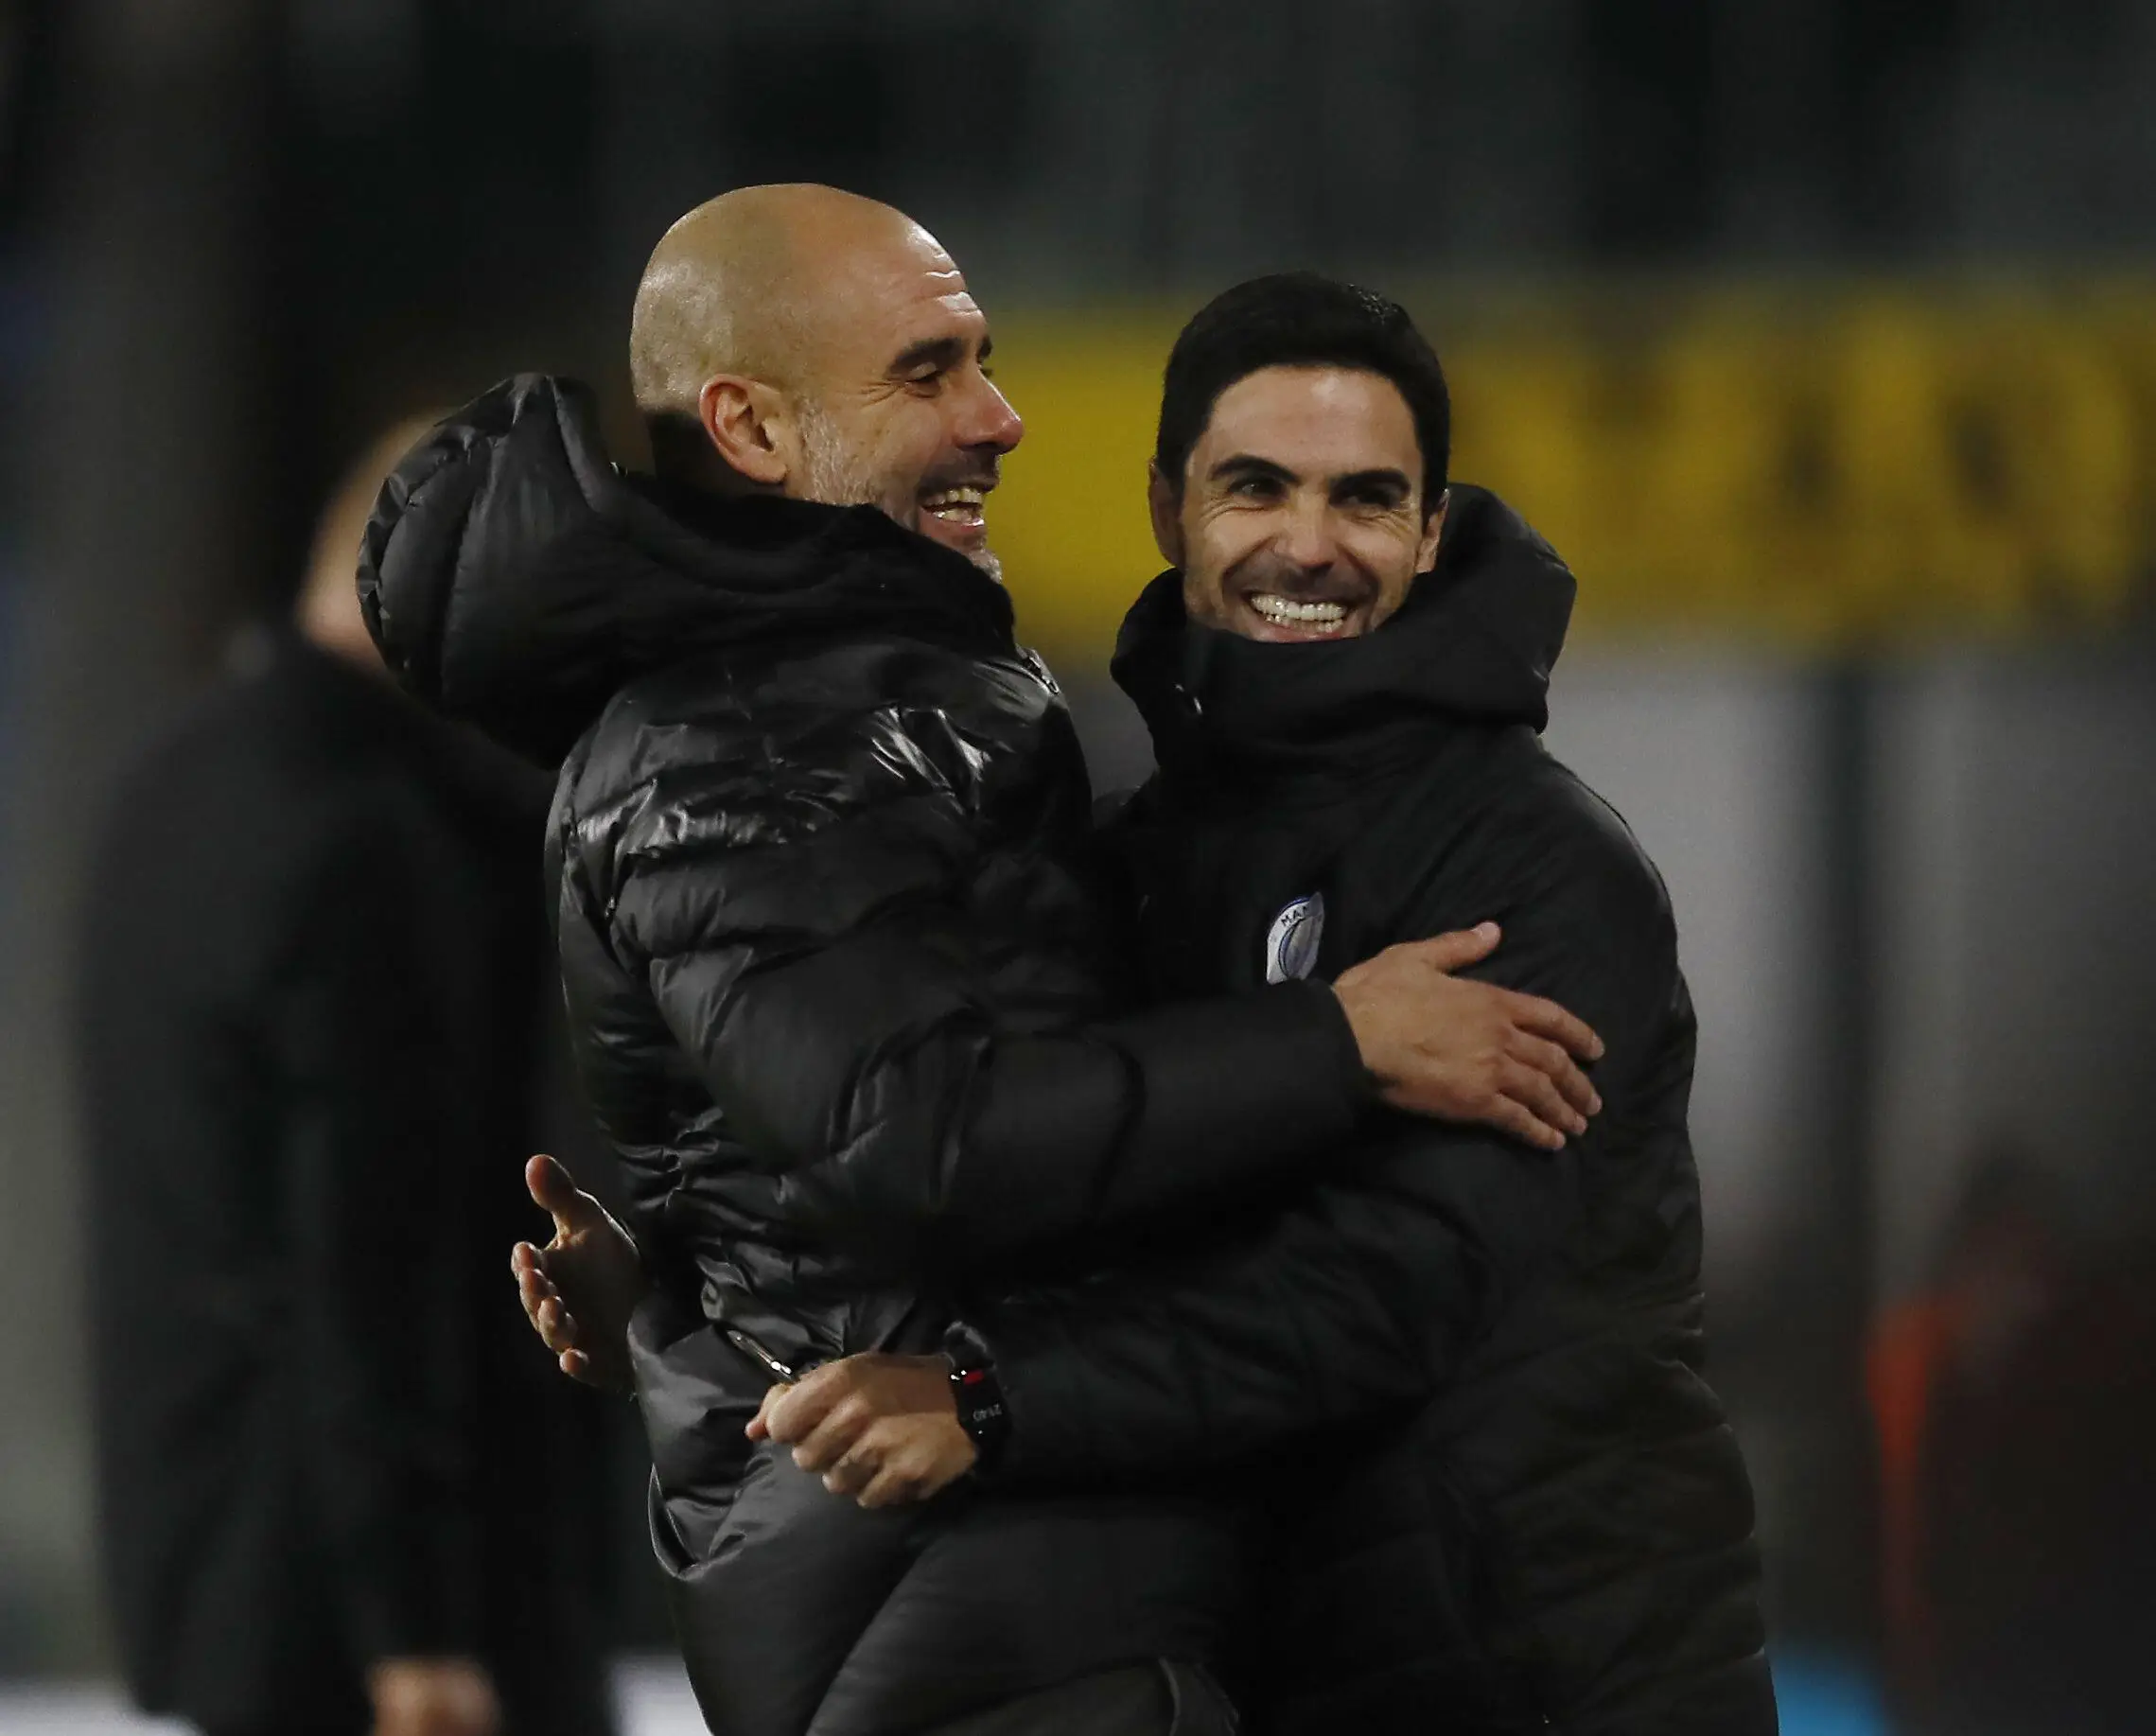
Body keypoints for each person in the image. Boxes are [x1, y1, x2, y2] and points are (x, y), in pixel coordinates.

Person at [361, 185, 1605, 1736]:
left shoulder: (845, 696)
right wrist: (1339, 1039)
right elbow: (923, 1136)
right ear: (750, 426)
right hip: (976, 1623)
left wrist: (671, 1304)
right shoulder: (751, 743)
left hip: (990, 1598)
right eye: (927, 371)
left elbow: (858, 1169)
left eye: (983, 360)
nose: (999, 418)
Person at [79, 427, 618, 1736]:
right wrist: (417, 1628)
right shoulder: (373, 838)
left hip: (223, 1577)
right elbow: (370, 1254)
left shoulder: (172, 784)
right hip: (386, 1623)